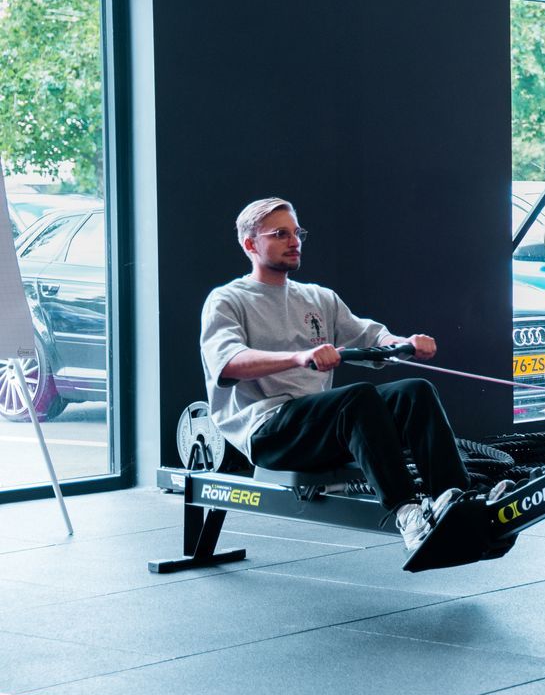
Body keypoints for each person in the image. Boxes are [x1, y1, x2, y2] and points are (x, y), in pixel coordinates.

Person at [199, 197, 499, 552]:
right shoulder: (228, 300)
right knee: (356, 399)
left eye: (297, 233)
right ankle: (408, 515)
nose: (294, 241)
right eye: (280, 234)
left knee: (414, 390)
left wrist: (401, 342)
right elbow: (229, 362)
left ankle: (454, 499)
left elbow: (369, 335)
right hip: (268, 430)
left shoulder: (317, 297)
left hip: (321, 425)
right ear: (250, 244)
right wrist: (299, 357)